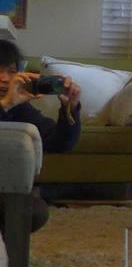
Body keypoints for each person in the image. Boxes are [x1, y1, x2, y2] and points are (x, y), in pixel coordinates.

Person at [0, 38, 80, 232]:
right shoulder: (10, 103)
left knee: (33, 211)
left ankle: (9, 249)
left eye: (11, 71)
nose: (5, 78)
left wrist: (70, 107)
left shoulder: (19, 108)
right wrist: (5, 104)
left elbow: (60, 143)